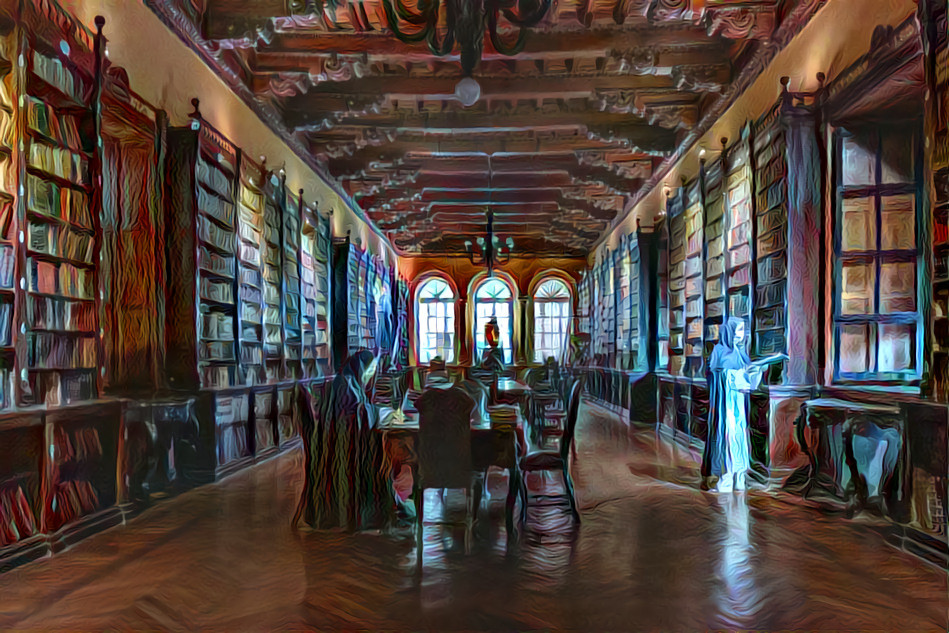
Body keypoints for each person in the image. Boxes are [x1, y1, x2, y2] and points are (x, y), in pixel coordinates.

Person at [294, 350, 400, 530]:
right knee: (381, 460)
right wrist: (378, 412)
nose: (370, 376)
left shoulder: (346, 382)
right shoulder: (344, 386)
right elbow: (352, 420)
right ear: (360, 368)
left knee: (381, 453)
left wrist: (372, 410)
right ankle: (369, 513)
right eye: (369, 371)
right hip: (340, 452)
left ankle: (379, 510)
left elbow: (357, 414)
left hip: (336, 446)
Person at [704, 318, 762, 493]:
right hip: (724, 402)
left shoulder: (741, 352)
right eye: (738, 330)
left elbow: (748, 379)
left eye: (743, 330)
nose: (741, 335)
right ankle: (726, 476)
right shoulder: (718, 351)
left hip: (738, 401)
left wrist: (755, 371)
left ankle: (739, 475)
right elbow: (712, 375)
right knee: (726, 435)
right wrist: (734, 375)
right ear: (729, 332)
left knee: (739, 435)